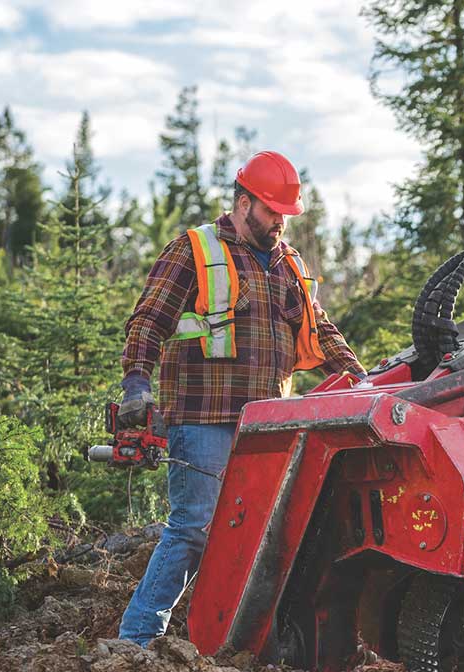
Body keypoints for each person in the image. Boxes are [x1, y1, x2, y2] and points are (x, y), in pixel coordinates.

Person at [117, 151, 365, 646]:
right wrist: (136, 382)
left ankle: (229, 641)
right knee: (193, 528)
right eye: (271, 211)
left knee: (257, 535)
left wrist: (362, 379)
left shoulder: (288, 264)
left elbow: (321, 331)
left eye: (284, 215)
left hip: (266, 427)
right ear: (244, 200)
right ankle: (137, 640)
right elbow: (148, 321)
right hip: (203, 417)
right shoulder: (193, 250)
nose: (278, 223)